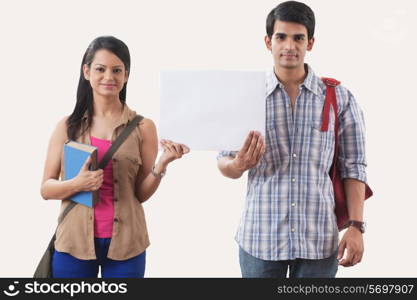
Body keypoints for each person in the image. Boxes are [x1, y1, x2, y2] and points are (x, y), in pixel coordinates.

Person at [217, 1, 368, 278]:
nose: (289, 45)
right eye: (281, 37)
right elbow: (223, 163)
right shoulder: (245, 96)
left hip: (319, 241)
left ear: (310, 43)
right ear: (268, 42)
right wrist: (238, 164)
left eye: (298, 38)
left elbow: (354, 166)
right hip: (260, 239)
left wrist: (356, 226)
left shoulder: (339, 98)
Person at [40, 36, 189, 278]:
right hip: (74, 243)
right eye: (101, 69)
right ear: (86, 72)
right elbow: (46, 188)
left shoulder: (144, 127)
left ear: (126, 75)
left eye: (117, 70)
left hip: (127, 245)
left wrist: (161, 164)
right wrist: (76, 184)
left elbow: (141, 194)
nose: (109, 77)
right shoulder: (67, 126)